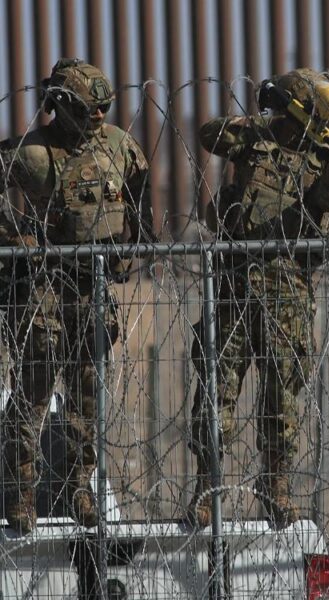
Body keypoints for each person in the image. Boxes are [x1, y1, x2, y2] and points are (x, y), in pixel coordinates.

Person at [187, 68, 329, 529]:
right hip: (234, 287)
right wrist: (264, 121)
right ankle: (206, 489)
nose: (324, 128)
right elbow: (209, 135)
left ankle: (275, 485)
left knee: (281, 400)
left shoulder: (328, 163)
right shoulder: (254, 141)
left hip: (288, 292)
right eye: (316, 116)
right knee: (216, 393)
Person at [0, 58, 152, 533]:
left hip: (93, 287)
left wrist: (133, 246)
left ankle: (79, 489)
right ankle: (21, 493)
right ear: (62, 107)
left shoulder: (118, 147)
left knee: (88, 398)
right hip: (46, 287)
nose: (99, 117)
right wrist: (14, 239)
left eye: (104, 109)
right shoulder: (33, 154)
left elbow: (140, 190)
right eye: (91, 109)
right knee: (34, 392)